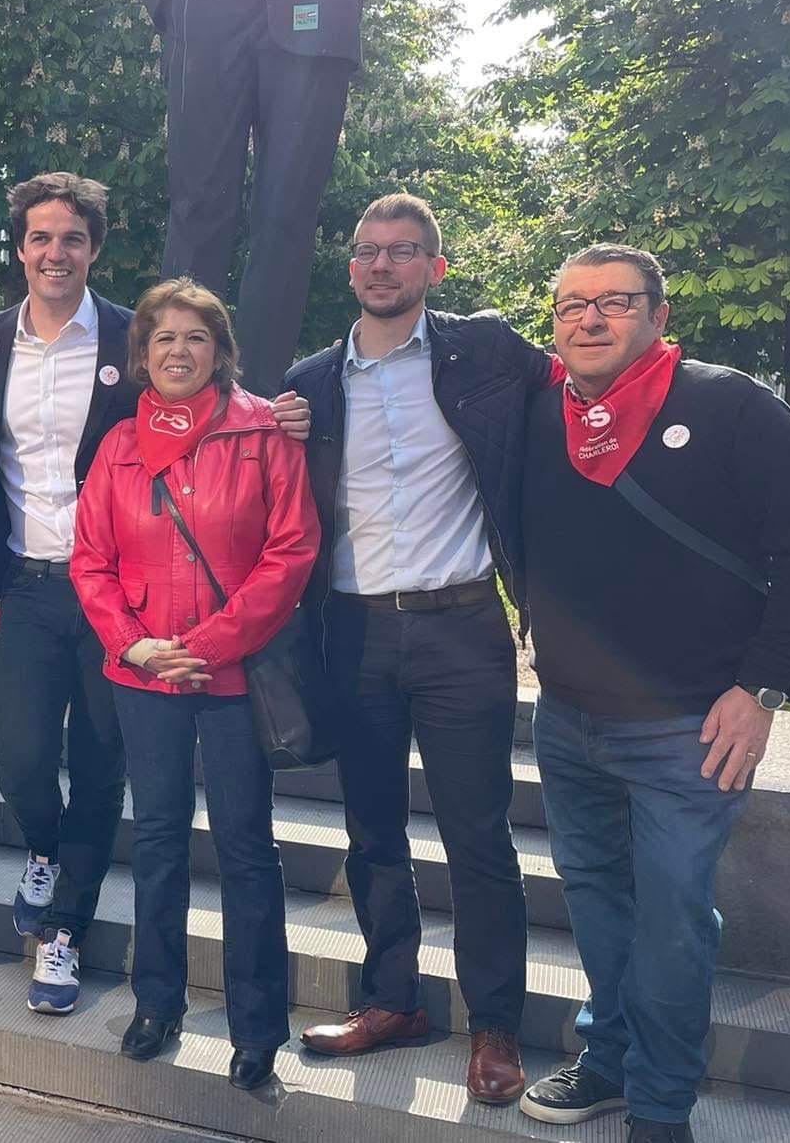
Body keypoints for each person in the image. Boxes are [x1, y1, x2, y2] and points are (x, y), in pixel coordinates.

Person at [516, 246, 790, 1143]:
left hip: (691, 727)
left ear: (659, 317)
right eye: (570, 305)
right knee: (596, 899)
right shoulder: (541, 415)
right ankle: (612, 1056)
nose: (588, 320)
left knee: (670, 922)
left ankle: (661, 1110)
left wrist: (762, 689)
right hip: (570, 718)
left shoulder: (730, 405)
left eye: (614, 303)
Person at [281, 194, 549, 1104]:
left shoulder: (485, 350)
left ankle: (498, 1026)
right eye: (368, 253)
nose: (383, 266)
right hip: (354, 629)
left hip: (462, 626)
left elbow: (578, 404)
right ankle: (392, 1000)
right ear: (350, 269)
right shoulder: (313, 382)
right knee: (372, 831)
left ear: (435, 267)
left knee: (479, 836)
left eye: (404, 252)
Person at [71, 278, 318, 1090]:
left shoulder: (263, 433)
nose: (179, 351)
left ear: (221, 351)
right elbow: (91, 560)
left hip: (234, 676)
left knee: (248, 851)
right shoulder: (117, 447)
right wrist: (137, 645)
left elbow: (291, 551)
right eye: (163, 338)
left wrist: (207, 644)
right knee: (158, 842)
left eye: (196, 338)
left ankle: (257, 1027)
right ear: (141, 355)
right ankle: (158, 1003)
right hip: (144, 678)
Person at [0, 172, 136, 1015]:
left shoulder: (134, 341)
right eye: (40, 237)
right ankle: (46, 849)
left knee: (101, 767)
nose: (54, 252)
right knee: (24, 761)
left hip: (116, 594)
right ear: (19, 248)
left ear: (93, 249)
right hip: (26, 586)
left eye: (71, 238)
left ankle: (64, 931)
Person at [146, 0, 363, 393]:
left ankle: (256, 401)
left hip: (318, 13)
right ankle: (176, 395)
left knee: (288, 217)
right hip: (204, 13)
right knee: (196, 208)